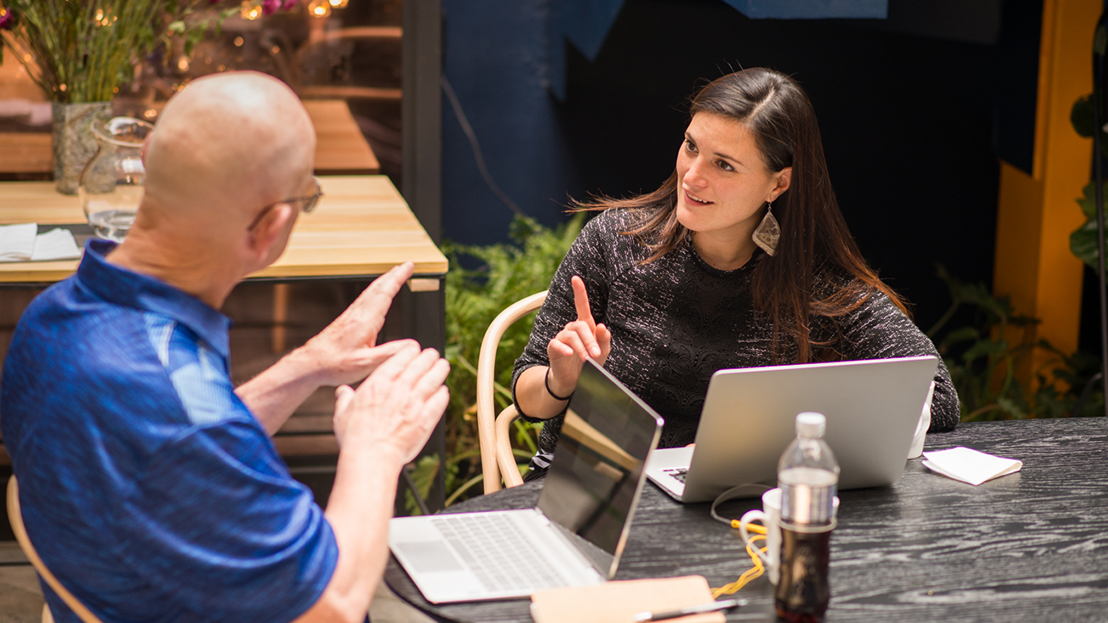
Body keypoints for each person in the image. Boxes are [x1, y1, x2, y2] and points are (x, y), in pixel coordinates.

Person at [0, 72, 449, 623]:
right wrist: (376, 446)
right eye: (305, 196)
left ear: (146, 162)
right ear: (270, 227)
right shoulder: (182, 410)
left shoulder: (49, 319)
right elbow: (333, 605)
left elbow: (168, 458)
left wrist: (306, 366)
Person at [512, 68, 958, 476]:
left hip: (729, 505)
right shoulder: (616, 241)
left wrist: (805, 427)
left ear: (778, 184)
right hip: (591, 486)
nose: (692, 176)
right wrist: (561, 380)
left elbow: (936, 395)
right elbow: (528, 394)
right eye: (691, 147)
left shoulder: (815, 284)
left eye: (723, 164)